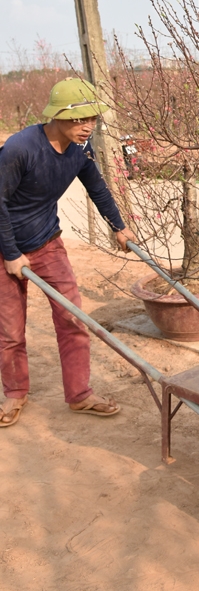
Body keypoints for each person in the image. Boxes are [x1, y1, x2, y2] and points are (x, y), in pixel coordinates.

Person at [0, 77, 136, 427]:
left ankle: (79, 394)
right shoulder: (21, 148)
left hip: (48, 242)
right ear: (56, 117)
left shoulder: (80, 151)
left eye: (91, 118)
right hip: (5, 249)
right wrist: (12, 253)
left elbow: (98, 189)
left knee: (73, 318)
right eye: (78, 119)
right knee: (12, 331)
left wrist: (119, 227)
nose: (86, 126)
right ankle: (15, 394)